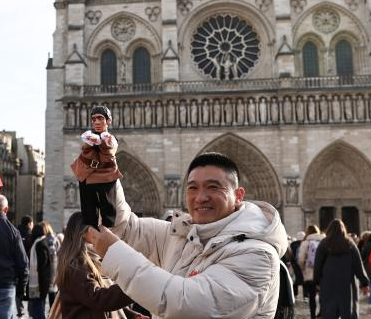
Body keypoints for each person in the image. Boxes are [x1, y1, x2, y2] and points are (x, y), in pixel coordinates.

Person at [84, 152, 288, 319]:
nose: (200, 197)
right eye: (192, 188)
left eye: (213, 187)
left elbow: (184, 305)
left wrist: (114, 252)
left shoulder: (257, 255)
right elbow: (127, 229)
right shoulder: (184, 235)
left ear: (238, 196)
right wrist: (105, 171)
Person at [55, 211, 141, 319]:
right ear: (84, 232)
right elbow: (97, 299)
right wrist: (133, 287)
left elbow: (97, 298)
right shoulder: (76, 264)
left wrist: (132, 315)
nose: (99, 231)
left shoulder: (91, 259)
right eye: (95, 228)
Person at [71, 106, 123, 229]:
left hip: (105, 175)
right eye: (94, 119)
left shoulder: (110, 138)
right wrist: (96, 139)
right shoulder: (88, 135)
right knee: (88, 216)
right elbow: (87, 137)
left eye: (100, 118)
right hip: (87, 175)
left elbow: (110, 143)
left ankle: (107, 237)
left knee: (108, 214)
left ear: (108, 121)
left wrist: (102, 139)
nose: (97, 122)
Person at [313, 219, 369, 319]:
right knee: (348, 312)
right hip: (347, 284)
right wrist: (364, 283)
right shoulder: (350, 244)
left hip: (328, 283)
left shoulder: (324, 244)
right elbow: (358, 266)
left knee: (329, 311)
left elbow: (318, 265)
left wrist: (316, 282)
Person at [27, 221, 58, 319]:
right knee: (38, 307)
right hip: (48, 277)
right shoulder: (43, 242)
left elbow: (43, 265)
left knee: (38, 309)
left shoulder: (40, 244)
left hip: (42, 281)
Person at [298, 224, 325, 319]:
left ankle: (313, 315)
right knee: (323, 293)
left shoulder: (306, 242)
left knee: (312, 296)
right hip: (323, 273)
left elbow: (301, 259)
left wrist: (303, 269)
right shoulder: (324, 241)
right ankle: (322, 311)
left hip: (310, 273)